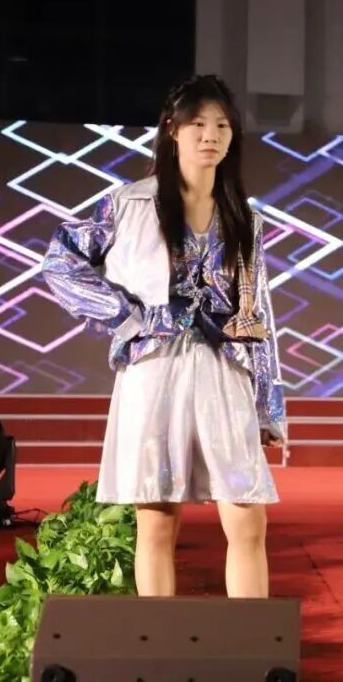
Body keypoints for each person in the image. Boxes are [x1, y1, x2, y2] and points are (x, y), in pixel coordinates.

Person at [42, 74, 285, 598]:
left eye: (221, 125)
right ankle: (158, 641)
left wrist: (269, 406)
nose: (210, 135)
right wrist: (126, 317)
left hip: (224, 370)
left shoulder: (244, 217)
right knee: (156, 523)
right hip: (154, 370)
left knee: (248, 520)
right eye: (198, 124)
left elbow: (257, 309)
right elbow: (61, 261)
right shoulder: (130, 203)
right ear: (173, 130)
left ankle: (249, 640)